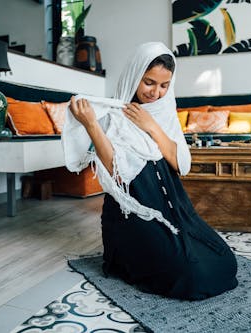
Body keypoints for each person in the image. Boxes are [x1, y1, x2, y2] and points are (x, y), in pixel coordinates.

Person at [62, 42, 238, 300]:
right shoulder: (113, 113)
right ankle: (123, 258)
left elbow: (181, 165)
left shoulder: (163, 112)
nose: (156, 92)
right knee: (192, 275)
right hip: (134, 215)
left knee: (225, 260)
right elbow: (118, 174)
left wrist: (151, 126)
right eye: (149, 82)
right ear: (135, 76)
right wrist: (90, 124)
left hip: (177, 211)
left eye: (164, 85)